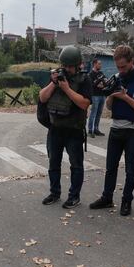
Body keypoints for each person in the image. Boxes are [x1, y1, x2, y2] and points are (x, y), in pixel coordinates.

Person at [89, 45, 134, 216]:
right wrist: (111, 95)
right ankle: (107, 197)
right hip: (116, 128)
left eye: (123, 66)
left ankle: (127, 200)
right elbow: (110, 107)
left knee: (130, 169)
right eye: (118, 67)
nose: (121, 70)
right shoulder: (117, 77)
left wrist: (125, 97)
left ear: (132, 61)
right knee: (110, 167)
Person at [39, 45, 92, 209]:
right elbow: (42, 97)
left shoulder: (85, 80)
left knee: (76, 165)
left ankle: (74, 196)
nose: (67, 69)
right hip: (55, 128)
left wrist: (67, 89)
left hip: (74, 130)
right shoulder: (57, 76)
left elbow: (84, 103)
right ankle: (54, 193)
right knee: (53, 163)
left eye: (70, 66)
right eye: (65, 66)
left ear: (78, 65)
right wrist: (54, 83)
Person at [88, 58, 107, 138]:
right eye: (99, 64)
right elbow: (91, 85)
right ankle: (90, 130)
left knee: (99, 113)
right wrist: (98, 85)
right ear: (94, 64)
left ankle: (96, 129)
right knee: (93, 113)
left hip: (102, 95)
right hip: (95, 95)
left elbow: (106, 82)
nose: (100, 65)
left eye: (100, 64)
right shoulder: (90, 74)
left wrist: (102, 85)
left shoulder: (101, 73)